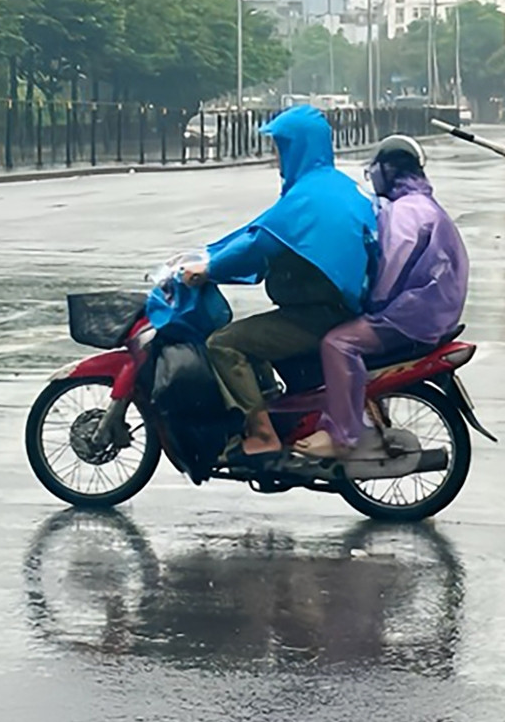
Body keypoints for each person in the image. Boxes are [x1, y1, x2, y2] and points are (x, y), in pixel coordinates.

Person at [182, 106, 376, 465]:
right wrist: (211, 254)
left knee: (223, 343)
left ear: (297, 147)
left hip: (319, 314)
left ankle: (262, 435)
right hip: (338, 306)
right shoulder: (332, 185)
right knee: (254, 336)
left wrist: (209, 269)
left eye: (280, 147)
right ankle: (274, 409)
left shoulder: (307, 197)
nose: (276, 156)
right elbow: (261, 228)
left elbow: (260, 244)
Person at [296, 135, 469, 459]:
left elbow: (392, 266)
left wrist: (365, 303)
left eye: (374, 170)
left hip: (411, 315)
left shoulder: (407, 211)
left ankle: (343, 434)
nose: (372, 177)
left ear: (388, 171)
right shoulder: (421, 205)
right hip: (430, 310)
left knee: (338, 343)